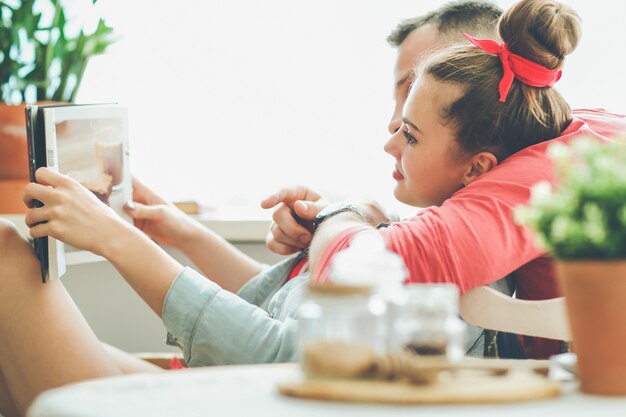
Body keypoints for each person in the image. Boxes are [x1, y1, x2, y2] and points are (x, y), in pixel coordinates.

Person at [0, 1, 621, 415]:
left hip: (261, 392)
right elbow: (282, 323)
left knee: (6, 255)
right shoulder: (415, 214)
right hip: (240, 383)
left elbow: (277, 358)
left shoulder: (455, 255)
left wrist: (120, 242)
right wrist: (177, 232)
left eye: (410, 122)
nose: (388, 134)